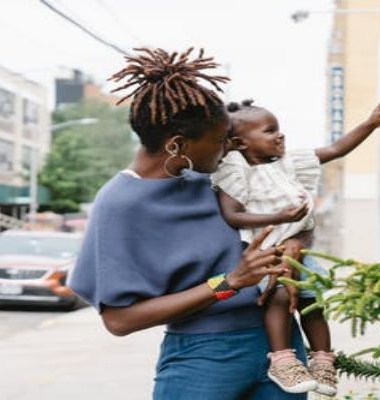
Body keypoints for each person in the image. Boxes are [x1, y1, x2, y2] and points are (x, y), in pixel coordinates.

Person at [68, 47, 310, 400]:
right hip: (205, 356)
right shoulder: (120, 205)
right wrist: (229, 282)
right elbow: (119, 320)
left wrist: (294, 248)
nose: (228, 149)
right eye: (219, 140)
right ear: (177, 145)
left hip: (282, 347)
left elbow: (292, 221)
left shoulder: (219, 181)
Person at [211, 98, 380, 396]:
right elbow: (233, 215)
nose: (280, 135)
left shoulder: (288, 163)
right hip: (266, 250)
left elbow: (336, 149)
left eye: (279, 129)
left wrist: (371, 123)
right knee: (280, 297)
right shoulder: (235, 170)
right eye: (269, 131)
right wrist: (279, 216)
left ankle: (322, 360)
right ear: (240, 143)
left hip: (300, 250)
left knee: (313, 300)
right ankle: (282, 360)